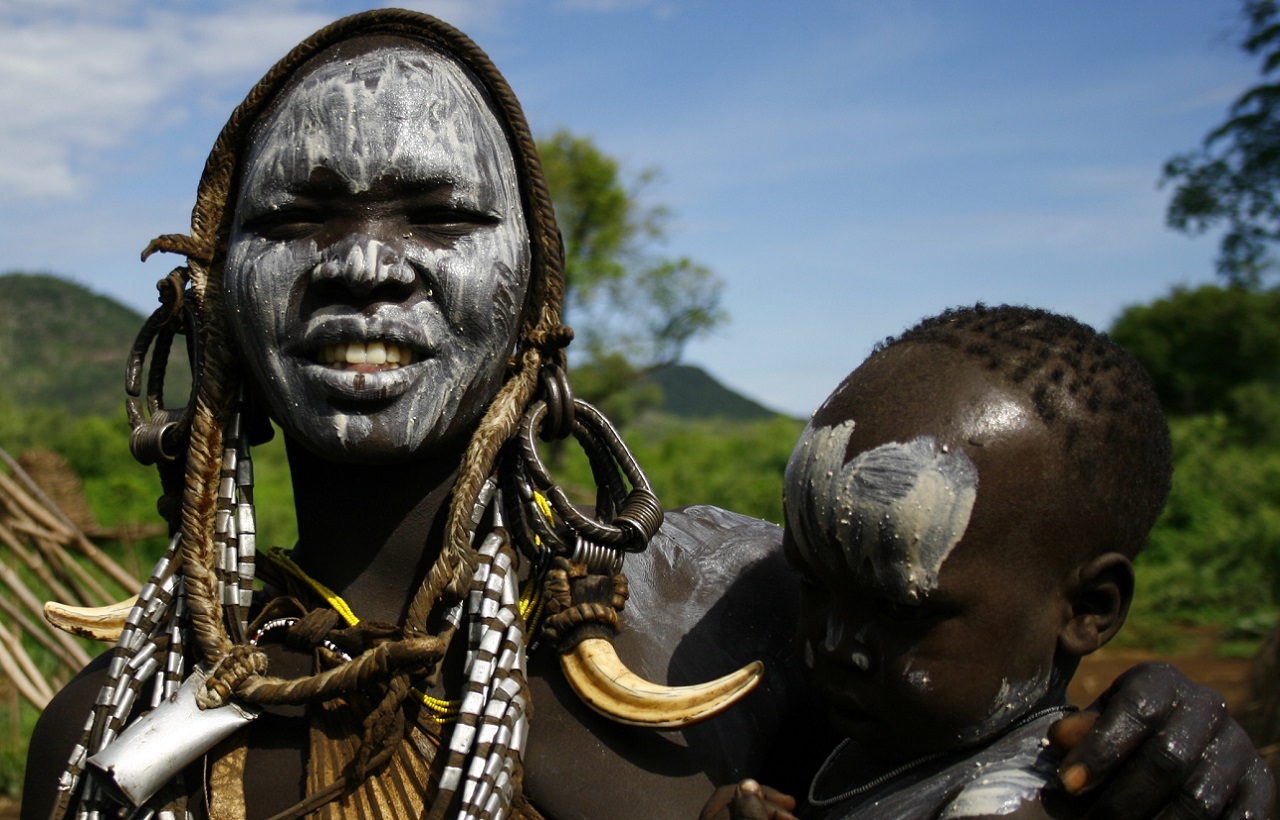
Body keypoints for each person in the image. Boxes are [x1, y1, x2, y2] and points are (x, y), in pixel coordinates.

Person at [20, 11, 1275, 820]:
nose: (363, 261)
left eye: (440, 216)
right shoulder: (105, 737)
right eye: (295, 219)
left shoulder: (730, 625)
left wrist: (1173, 736)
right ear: (212, 297)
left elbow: (990, 701)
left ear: (534, 295)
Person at [702, 305, 1276, 819]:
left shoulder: (1015, 799)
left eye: (899, 608)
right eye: (811, 582)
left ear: (1087, 609)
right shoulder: (877, 745)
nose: (832, 643)